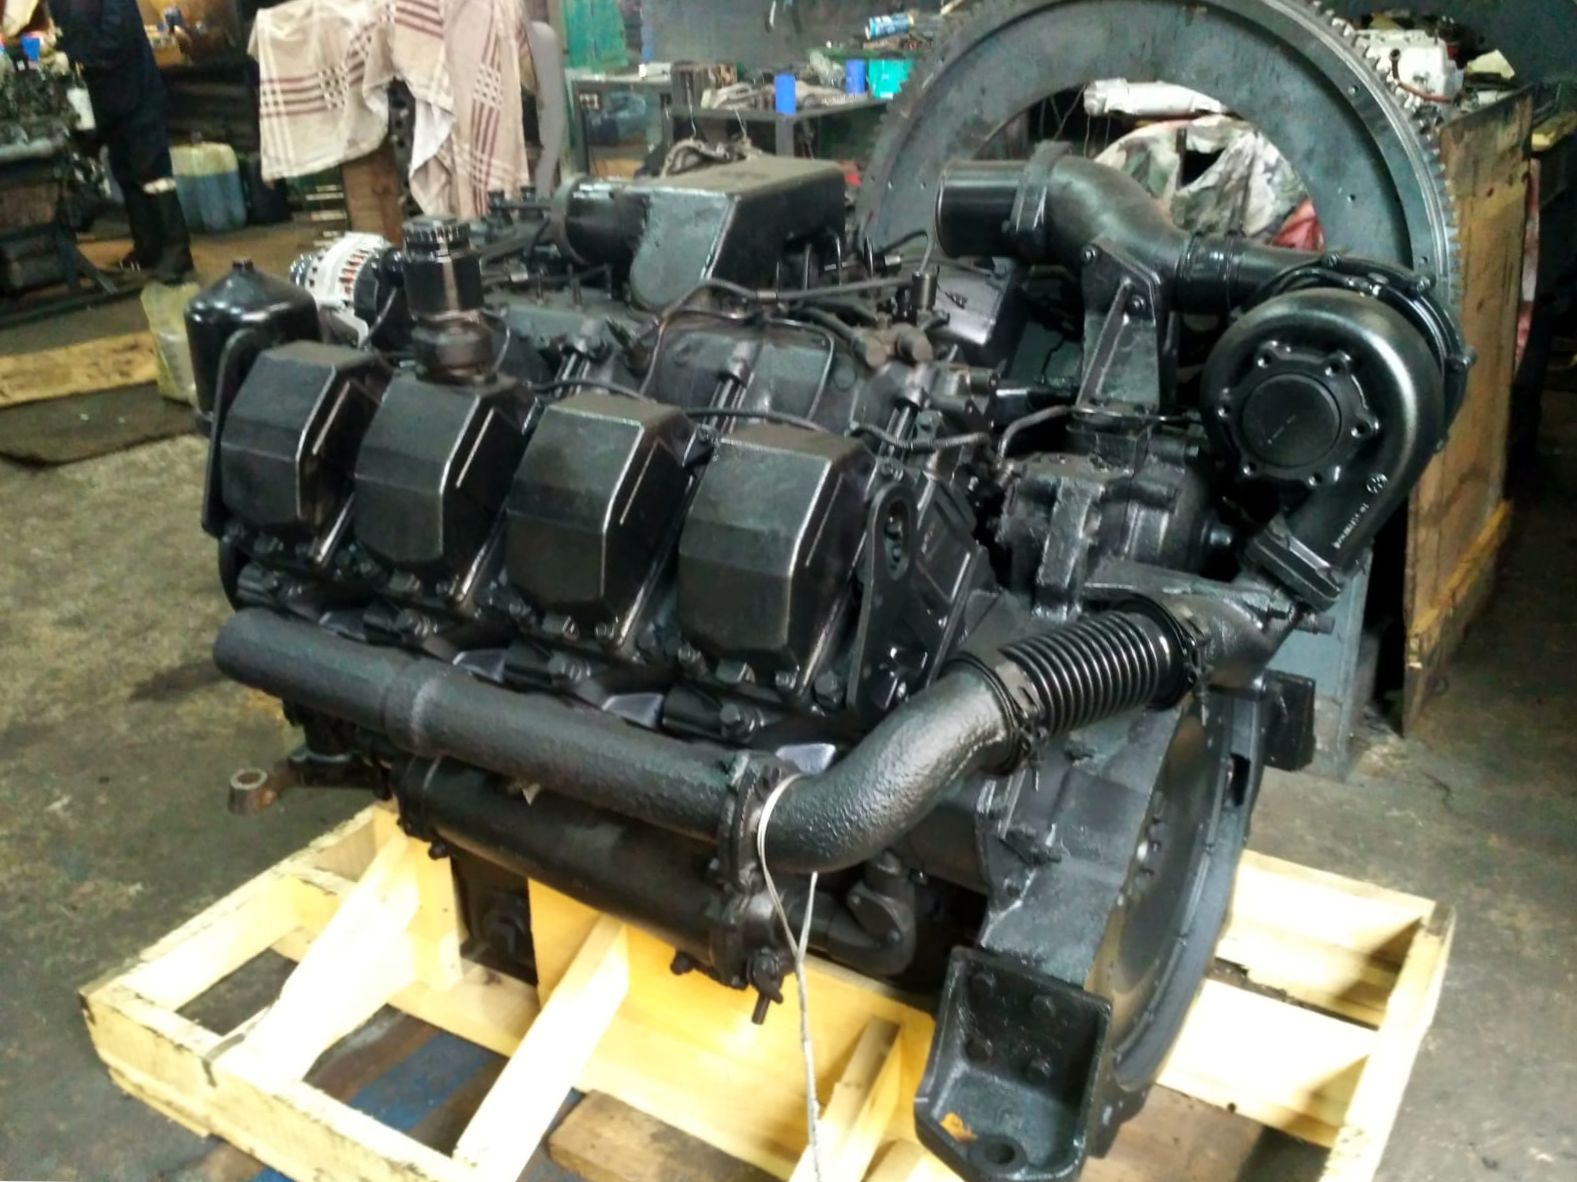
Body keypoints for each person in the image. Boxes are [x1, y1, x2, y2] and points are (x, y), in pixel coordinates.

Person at [48, 0, 191, 281]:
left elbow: (118, 36)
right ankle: (147, 247)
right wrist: (57, 49)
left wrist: (75, 57)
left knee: (152, 171)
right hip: (106, 97)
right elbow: (69, 32)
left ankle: (177, 250)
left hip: (136, 91)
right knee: (125, 170)